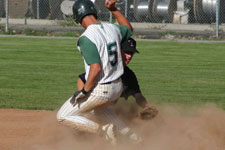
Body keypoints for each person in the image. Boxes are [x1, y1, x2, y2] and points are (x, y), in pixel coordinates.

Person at [57, 0, 142, 145]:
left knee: (62, 116)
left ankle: (103, 131)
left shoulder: (86, 38)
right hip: (117, 86)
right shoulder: (112, 28)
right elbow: (128, 29)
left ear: (77, 19)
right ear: (94, 12)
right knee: (99, 111)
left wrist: (84, 91)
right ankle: (134, 138)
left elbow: (95, 69)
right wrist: (113, 9)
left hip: (101, 90)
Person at [77, 37, 158, 121]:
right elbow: (82, 79)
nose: (129, 56)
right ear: (119, 51)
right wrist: (83, 99)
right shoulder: (106, 68)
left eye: (131, 53)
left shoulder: (128, 75)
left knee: (129, 116)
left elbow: (138, 96)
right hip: (92, 109)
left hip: (107, 112)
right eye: (127, 52)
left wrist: (147, 107)